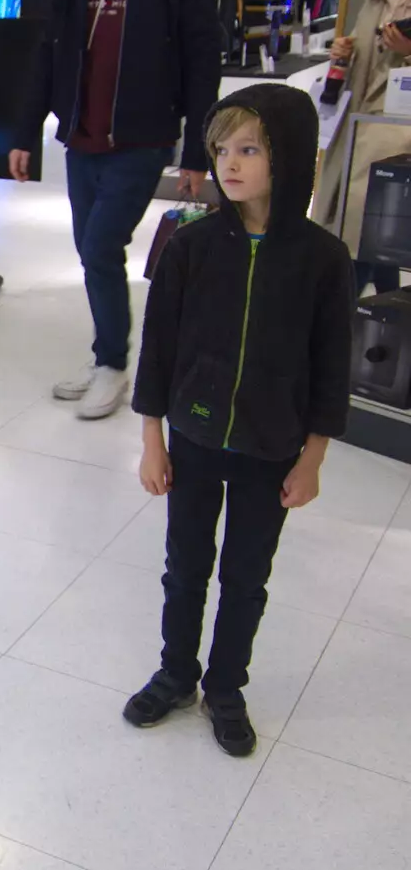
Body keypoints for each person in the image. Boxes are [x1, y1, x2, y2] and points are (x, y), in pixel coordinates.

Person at [126, 84, 354, 757]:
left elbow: (330, 365)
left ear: (287, 158)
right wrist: (151, 441)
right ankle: (176, 673)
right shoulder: (190, 246)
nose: (230, 163)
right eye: (222, 148)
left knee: (246, 575)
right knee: (184, 566)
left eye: (249, 149)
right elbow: (159, 351)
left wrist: (312, 456)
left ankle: (226, 685)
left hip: (272, 447)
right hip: (193, 440)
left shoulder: (321, 260)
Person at [11, 0, 222, 420]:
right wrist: (25, 131)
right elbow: (48, 55)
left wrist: (199, 153)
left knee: (103, 247)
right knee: (90, 251)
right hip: (81, 139)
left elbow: (204, 62)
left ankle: (113, 365)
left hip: (142, 140)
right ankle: (106, 353)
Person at [317, 0, 411, 296]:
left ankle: (336, 335)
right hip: (358, 130)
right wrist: (344, 53)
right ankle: (379, 336)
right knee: (369, 243)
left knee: (367, 243)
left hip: (399, 141)